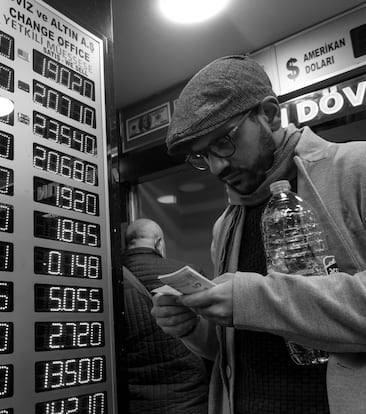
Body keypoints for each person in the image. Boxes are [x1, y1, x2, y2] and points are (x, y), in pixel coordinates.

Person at [151, 55, 366, 414]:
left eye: (223, 142)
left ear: (269, 114)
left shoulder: (356, 169)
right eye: (201, 156)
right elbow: (238, 349)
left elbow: (255, 304)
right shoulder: (226, 224)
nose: (217, 167)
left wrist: (250, 299)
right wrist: (193, 327)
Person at [122, 218, 209, 414]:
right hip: (189, 398)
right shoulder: (189, 275)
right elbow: (212, 334)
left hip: (134, 401)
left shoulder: (109, 279)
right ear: (158, 242)